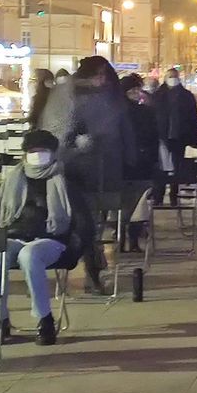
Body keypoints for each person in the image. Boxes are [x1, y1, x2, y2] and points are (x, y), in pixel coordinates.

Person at [0, 130, 93, 346]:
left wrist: (75, 249)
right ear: (25, 154)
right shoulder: (12, 181)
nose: (37, 155)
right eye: (33, 151)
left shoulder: (64, 182)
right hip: (14, 236)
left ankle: (44, 319)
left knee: (30, 255)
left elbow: (83, 222)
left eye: (42, 151)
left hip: (52, 239)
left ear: (52, 153)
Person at [37, 55, 135, 294]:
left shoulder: (110, 97)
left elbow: (123, 129)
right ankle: (92, 269)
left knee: (95, 223)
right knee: (86, 223)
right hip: (73, 171)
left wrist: (129, 159)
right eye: (98, 74)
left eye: (104, 74)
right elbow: (57, 129)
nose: (101, 79)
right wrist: (74, 144)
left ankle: (94, 266)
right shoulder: (67, 94)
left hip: (104, 170)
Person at [120, 74, 160, 253]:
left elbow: (154, 136)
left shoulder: (145, 111)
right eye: (132, 91)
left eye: (138, 90)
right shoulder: (123, 112)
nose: (136, 94)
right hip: (132, 165)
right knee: (133, 204)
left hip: (137, 165)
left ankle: (129, 239)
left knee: (135, 204)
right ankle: (130, 239)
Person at [151, 68, 197, 206]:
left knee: (178, 169)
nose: (172, 78)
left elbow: (193, 119)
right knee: (161, 169)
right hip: (161, 138)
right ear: (165, 78)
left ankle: (174, 195)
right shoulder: (157, 96)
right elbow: (151, 117)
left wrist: (193, 140)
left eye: (174, 76)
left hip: (181, 138)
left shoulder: (187, 96)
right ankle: (158, 196)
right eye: (170, 76)